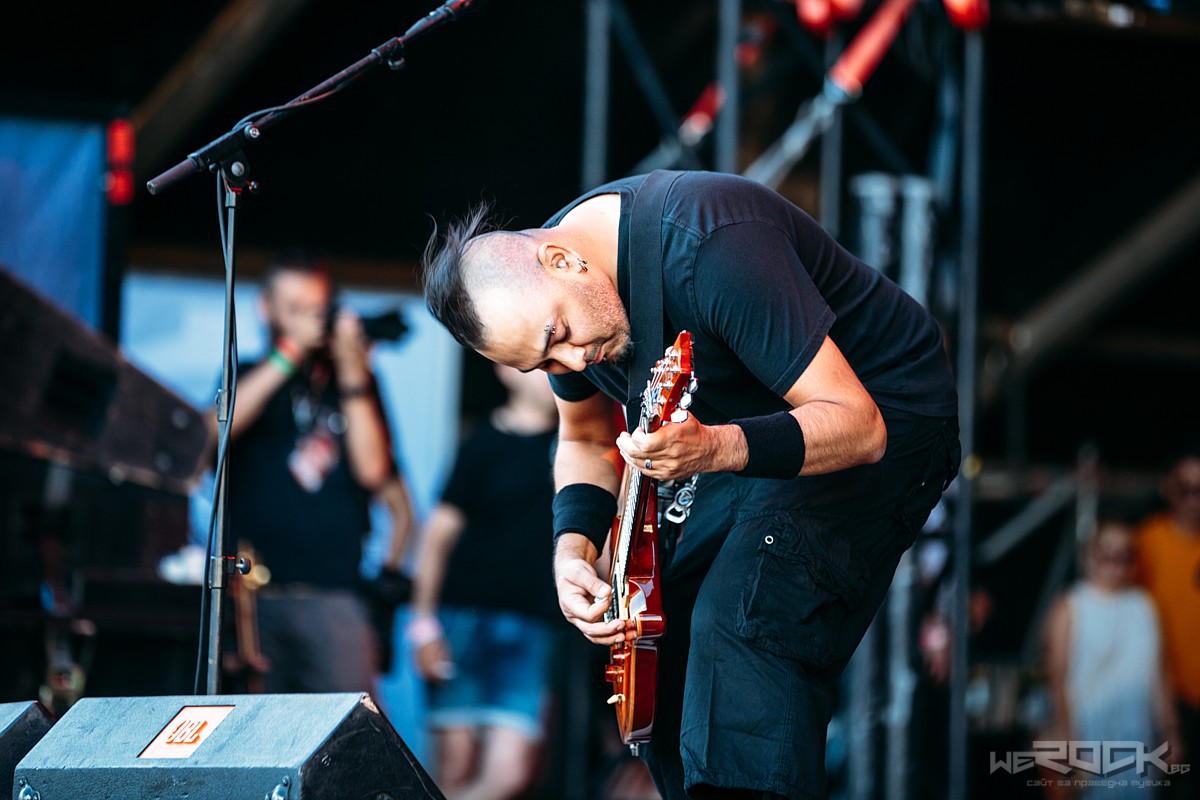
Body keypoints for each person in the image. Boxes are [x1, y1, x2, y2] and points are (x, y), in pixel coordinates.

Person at [421, 169, 960, 800]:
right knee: (660, 642)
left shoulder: (710, 244)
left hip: (883, 409)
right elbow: (584, 438)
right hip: (740, 430)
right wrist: (572, 549)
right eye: (543, 364)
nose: (571, 362)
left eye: (557, 338)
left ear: (562, 259)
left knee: (742, 619)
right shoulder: (559, 299)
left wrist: (714, 448)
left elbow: (860, 426)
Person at [216, 250, 396, 694]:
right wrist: (289, 354)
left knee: (350, 724)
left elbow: (374, 473)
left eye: (317, 309)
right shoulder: (249, 374)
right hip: (252, 598)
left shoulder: (354, 383)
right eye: (295, 308)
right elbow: (209, 442)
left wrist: (352, 372)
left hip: (334, 593)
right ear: (266, 309)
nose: (309, 320)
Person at [406, 363, 561, 800]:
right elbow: (437, 536)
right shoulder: (480, 445)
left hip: (534, 627)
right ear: (506, 370)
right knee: (451, 768)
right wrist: (422, 626)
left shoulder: (577, 448)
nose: (552, 374)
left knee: (511, 773)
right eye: (540, 366)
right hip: (463, 621)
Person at [1041, 519, 1180, 799]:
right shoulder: (1070, 606)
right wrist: (1068, 741)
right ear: (1089, 554)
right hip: (1087, 738)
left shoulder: (1144, 607)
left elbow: (1158, 676)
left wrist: (1170, 731)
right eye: (1106, 551)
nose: (1115, 561)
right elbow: (1056, 679)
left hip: (1137, 738)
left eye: (1124, 553)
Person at [1135, 446, 1200, 797]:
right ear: (1167, 488)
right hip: (1166, 703)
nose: (1194, 499)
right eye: (1185, 489)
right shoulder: (1146, 543)